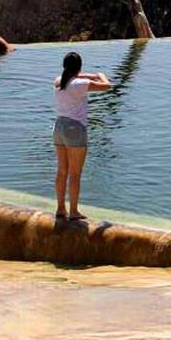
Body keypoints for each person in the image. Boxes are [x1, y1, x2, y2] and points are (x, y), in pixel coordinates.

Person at [52, 51, 112, 221]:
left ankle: (60, 208)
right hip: (75, 128)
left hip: (59, 126)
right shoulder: (80, 84)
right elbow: (107, 86)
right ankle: (74, 211)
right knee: (75, 173)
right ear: (79, 68)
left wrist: (86, 74)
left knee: (62, 171)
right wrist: (100, 75)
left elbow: (71, 75)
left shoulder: (58, 82)